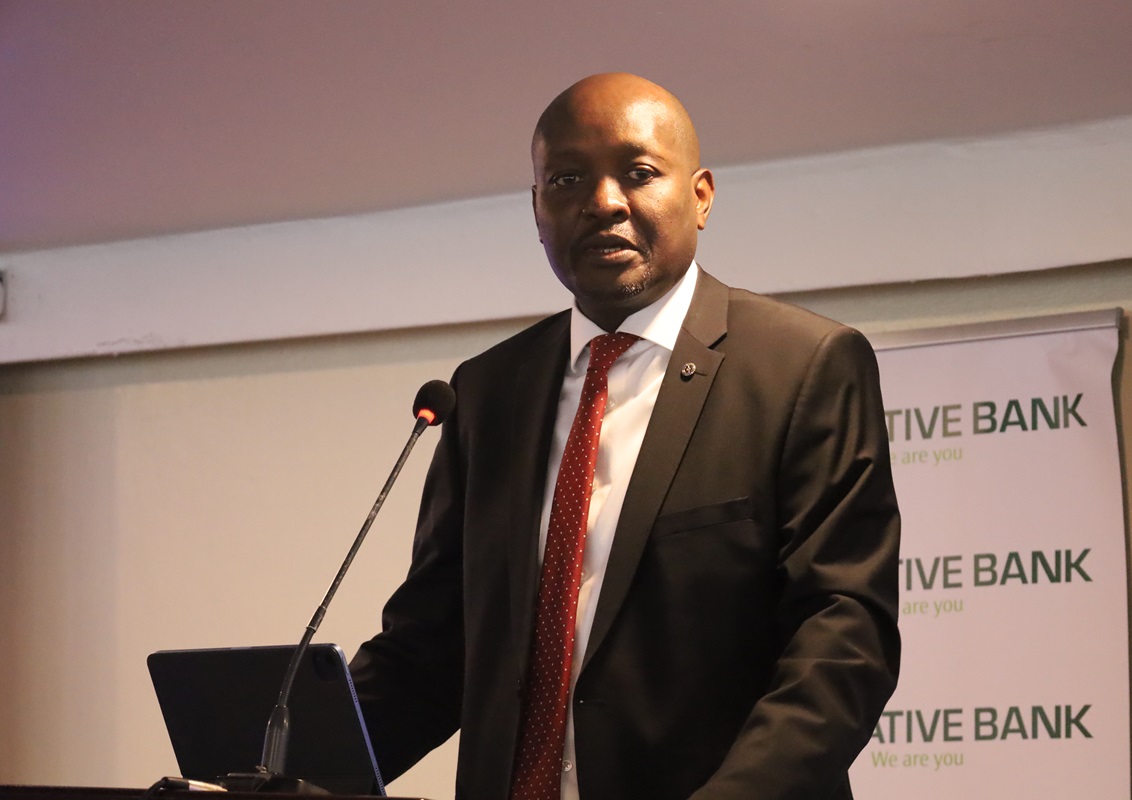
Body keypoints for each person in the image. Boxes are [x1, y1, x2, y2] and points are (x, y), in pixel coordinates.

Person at [350, 72, 900, 800]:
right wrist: (272, 764)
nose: (603, 202)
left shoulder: (802, 367)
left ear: (701, 196)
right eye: (568, 179)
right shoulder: (486, 393)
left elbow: (842, 640)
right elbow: (431, 650)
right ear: (537, 209)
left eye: (638, 173)